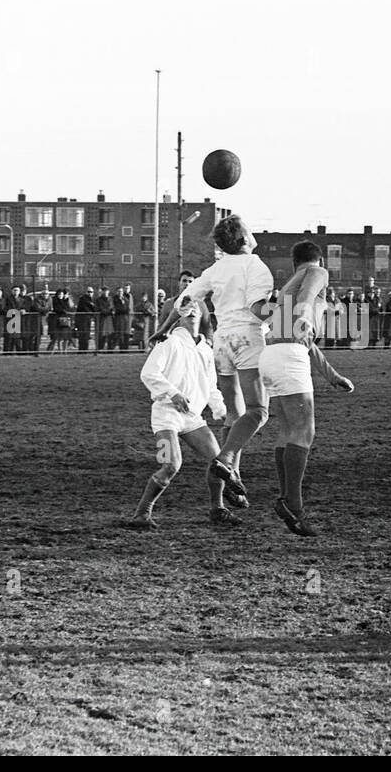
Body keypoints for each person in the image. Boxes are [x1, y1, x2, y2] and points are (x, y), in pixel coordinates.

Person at [161, 214, 274, 510]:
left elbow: (184, 300)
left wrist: (162, 329)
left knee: (234, 417)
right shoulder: (256, 266)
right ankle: (225, 460)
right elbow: (257, 307)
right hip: (248, 338)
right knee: (259, 412)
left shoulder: (216, 268)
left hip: (222, 342)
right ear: (243, 239)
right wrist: (294, 319)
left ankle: (230, 483)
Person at [259, 240, 355, 536]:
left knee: (288, 430)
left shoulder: (287, 284)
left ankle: (288, 500)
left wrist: (332, 375)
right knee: (304, 430)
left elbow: (304, 339)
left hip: (273, 355)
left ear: (293, 262)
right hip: (289, 355)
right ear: (319, 259)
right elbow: (309, 293)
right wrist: (302, 315)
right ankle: (295, 506)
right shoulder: (317, 272)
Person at [126, 298, 237, 529]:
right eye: (187, 308)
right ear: (177, 315)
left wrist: (221, 410)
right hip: (166, 415)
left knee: (219, 463)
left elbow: (211, 385)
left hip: (193, 418)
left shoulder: (205, 348)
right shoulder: (168, 343)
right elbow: (149, 374)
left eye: (197, 306)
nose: (193, 310)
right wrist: (173, 393)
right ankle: (141, 513)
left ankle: (217, 509)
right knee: (170, 465)